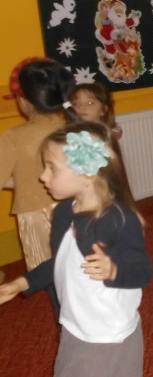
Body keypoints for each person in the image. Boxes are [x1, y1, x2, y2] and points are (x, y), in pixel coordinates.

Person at [0, 121, 153, 377]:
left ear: (86, 174)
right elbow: (62, 261)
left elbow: (143, 272)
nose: (43, 177)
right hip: (75, 324)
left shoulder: (118, 219)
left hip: (104, 334)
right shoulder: (63, 212)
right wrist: (23, 282)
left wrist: (114, 269)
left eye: (51, 168)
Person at [0, 58, 78, 271]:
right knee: (78, 264)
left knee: (47, 270)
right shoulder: (75, 127)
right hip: (78, 206)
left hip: (35, 215)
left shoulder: (14, 137)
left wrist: (21, 180)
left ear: (24, 101)